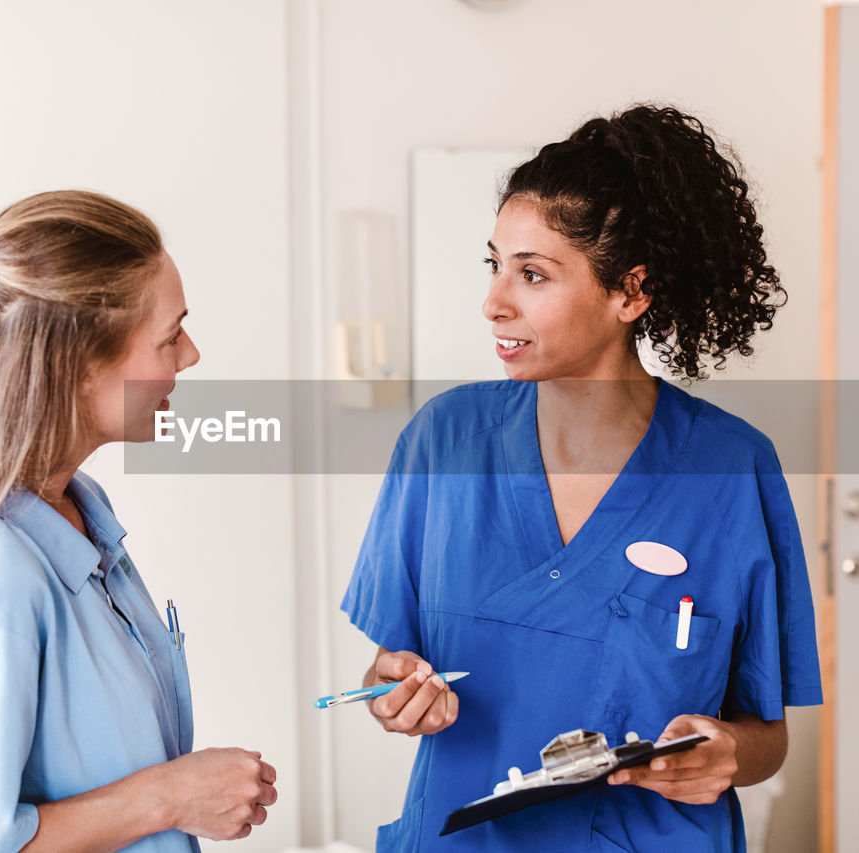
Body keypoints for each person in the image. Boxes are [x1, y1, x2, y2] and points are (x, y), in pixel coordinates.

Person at [341, 106, 822, 850]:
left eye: (532, 273)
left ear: (630, 292)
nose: (494, 301)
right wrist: (394, 690)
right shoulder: (444, 441)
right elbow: (387, 664)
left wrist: (725, 754)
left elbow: (765, 736)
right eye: (494, 264)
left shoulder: (731, 470)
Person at [0, 190, 277, 852]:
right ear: (79, 366)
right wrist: (171, 795)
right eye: (170, 336)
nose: (191, 355)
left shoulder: (83, 513)